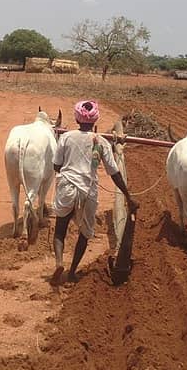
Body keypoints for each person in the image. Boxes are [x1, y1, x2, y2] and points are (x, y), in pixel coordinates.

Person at [52, 100, 138, 284]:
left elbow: (56, 165)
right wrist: (128, 197)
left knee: (60, 230)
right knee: (85, 233)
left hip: (67, 187)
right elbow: (114, 173)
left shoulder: (66, 137)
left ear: (77, 118)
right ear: (95, 119)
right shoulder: (102, 142)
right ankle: (72, 271)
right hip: (88, 191)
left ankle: (59, 262)